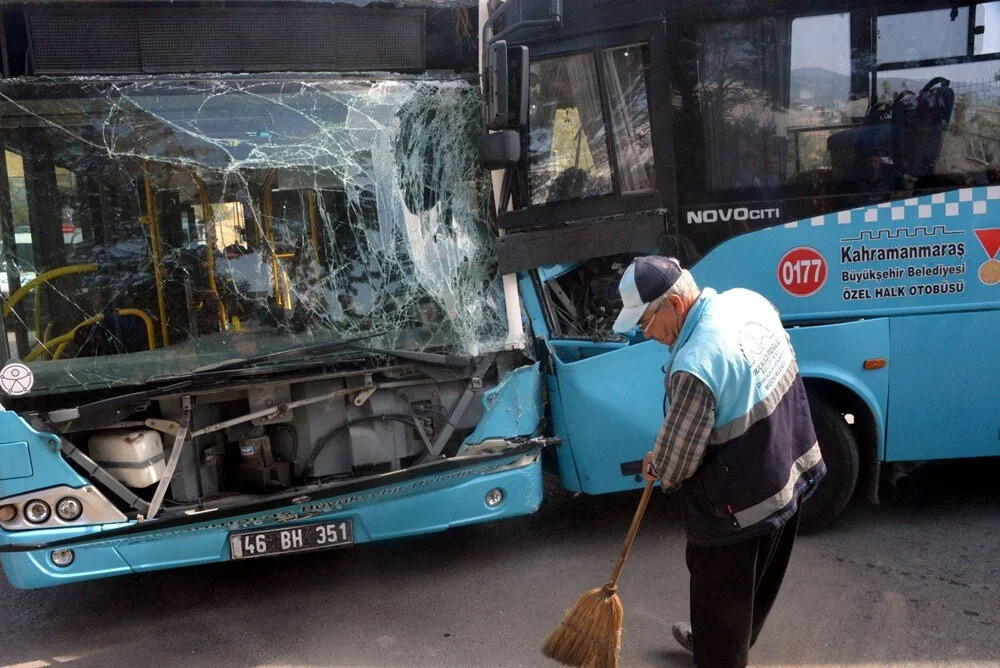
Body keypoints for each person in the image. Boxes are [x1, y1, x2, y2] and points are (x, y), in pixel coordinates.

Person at [612, 256, 826, 668]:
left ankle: (720, 652)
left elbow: (674, 468)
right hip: (789, 464)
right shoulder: (746, 302)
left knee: (720, 587)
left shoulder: (697, 363)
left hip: (738, 503)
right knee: (756, 582)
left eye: (644, 324)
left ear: (673, 306)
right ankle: (726, 639)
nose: (647, 335)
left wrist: (657, 462)